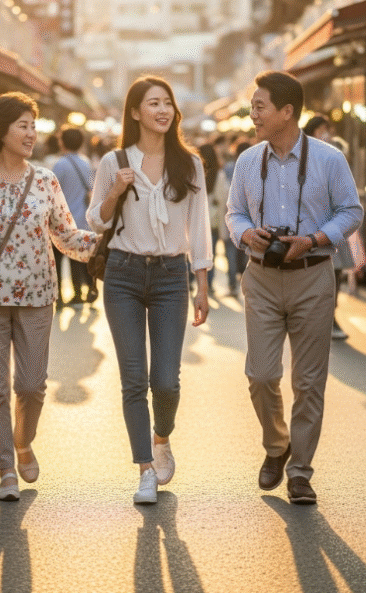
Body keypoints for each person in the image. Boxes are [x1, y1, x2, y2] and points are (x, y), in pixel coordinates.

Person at [0, 92, 98, 502]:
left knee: (31, 386)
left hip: (38, 298)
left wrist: (105, 244)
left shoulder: (45, 179)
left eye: (34, 125)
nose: (32, 133)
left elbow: (65, 234)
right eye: (23, 126)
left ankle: (23, 441)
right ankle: (6, 469)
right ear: (1, 131)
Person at [226, 71, 363, 505]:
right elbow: (233, 214)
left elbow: (351, 210)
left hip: (313, 276)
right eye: (253, 106)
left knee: (309, 382)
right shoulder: (248, 161)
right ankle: (276, 445)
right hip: (261, 279)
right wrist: (248, 235)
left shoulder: (329, 159)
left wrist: (316, 239)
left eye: (259, 106)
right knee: (261, 375)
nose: (253, 115)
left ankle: (300, 472)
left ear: (287, 111)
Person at [87, 76, 212, 505]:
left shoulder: (189, 164)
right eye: (152, 103)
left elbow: (199, 225)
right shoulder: (114, 162)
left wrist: (202, 284)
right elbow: (96, 221)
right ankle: (144, 469)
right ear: (135, 112)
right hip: (122, 273)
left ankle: (162, 438)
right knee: (133, 379)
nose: (162, 110)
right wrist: (117, 189)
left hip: (170, 277)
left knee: (167, 381)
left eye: (167, 103)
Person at [302, 114, 353, 340]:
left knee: (336, 273)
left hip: (334, 226)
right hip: (312, 226)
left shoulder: (335, 154)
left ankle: (330, 318)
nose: (327, 134)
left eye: (328, 130)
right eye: (322, 130)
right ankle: (318, 320)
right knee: (315, 274)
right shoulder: (303, 155)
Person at [52, 126, 98, 306]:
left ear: (62, 142)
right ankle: (79, 293)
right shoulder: (86, 162)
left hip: (60, 220)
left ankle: (59, 297)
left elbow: (52, 192)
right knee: (76, 258)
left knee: (56, 259)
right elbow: (91, 188)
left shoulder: (60, 164)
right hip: (81, 218)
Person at [198, 142, 229, 295]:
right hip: (213, 220)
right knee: (211, 254)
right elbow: (223, 198)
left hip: (197, 219)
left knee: (195, 252)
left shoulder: (195, 172)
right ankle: (208, 283)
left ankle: (192, 282)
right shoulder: (219, 174)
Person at [223, 139, 251, 295]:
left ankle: (233, 284)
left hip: (231, 215)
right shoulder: (254, 167)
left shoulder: (229, 168)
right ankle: (244, 283)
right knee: (246, 253)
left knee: (231, 252)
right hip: (249, 217)